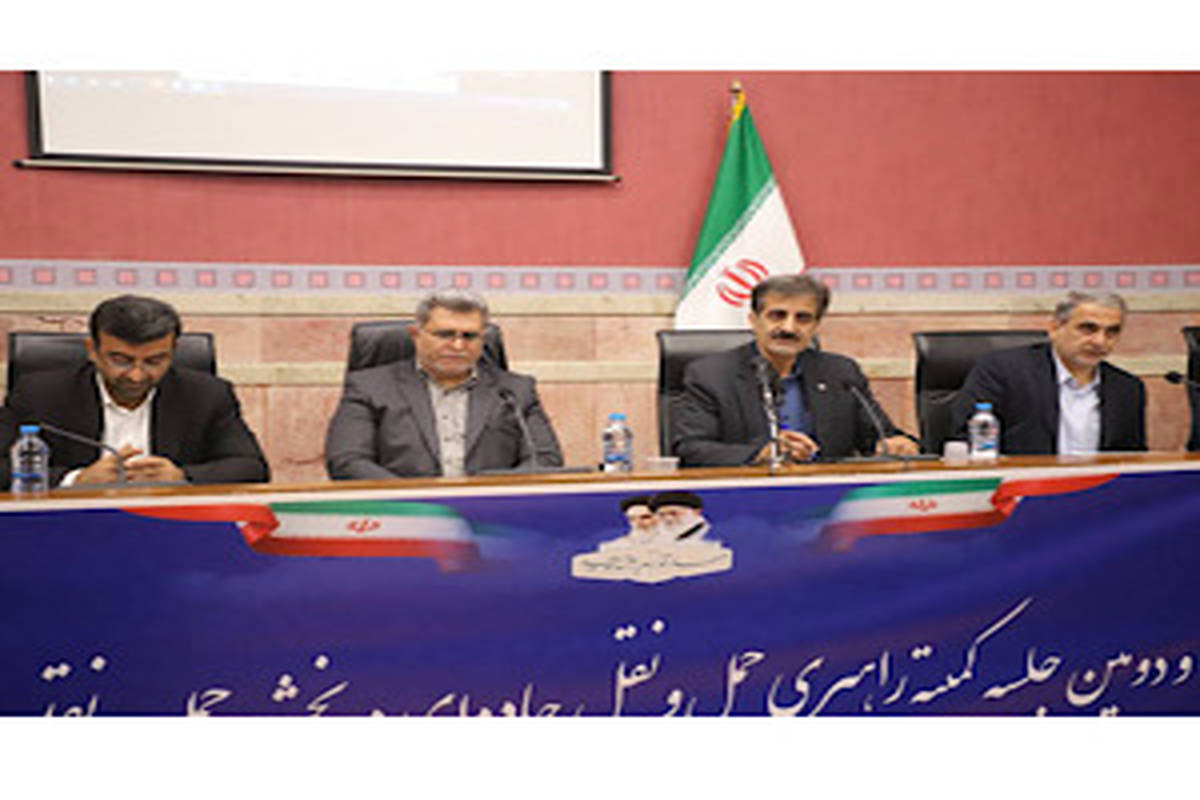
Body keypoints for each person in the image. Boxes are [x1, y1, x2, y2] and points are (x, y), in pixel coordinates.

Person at [0, 294, 269, 487]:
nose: (136, 375)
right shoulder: (40, 394)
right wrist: (75, 479)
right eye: (121, 360)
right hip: (71, 525)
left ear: (173, 351)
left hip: (169, 525)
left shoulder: (206, 395)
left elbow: (251, 467)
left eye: (154, 361)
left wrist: (182, 476)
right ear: (92, 350)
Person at [670, 274, 919, 466]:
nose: (789, 328)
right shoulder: (711, 375)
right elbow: (691, 449)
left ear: (816, 326)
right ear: (754, 320)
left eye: (803, 318)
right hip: (749, 497)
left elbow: (879, 435)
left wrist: (894, 444)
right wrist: (763, 453)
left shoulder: (841, 372)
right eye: (777, 316)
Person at [325, 289, 563, 479]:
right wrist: (421, 502)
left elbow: (544, 460)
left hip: (491, 514)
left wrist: (490, 497)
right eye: (445, 334)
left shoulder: (515, 391)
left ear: (483, 339)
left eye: (469, 336)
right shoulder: (370, 387)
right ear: (416, 335)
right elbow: (348, 461)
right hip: (405, 514)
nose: (458, 346)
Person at [951, 291, 1146, 455]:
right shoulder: (1003, 371)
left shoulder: (1127, 388)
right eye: (1088, 329)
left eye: (1111, 332)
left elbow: (1132, 459)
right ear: (1055, 328)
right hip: (1022, 484)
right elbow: (968, 441)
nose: (1100, 342)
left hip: (1098, 488)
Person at [649, 491, 713, 541]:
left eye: (674, 514)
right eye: (662, 515)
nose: (668, 519)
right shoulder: (657, 537)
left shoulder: (711, 535)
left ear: (696, 512)